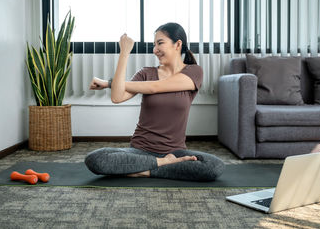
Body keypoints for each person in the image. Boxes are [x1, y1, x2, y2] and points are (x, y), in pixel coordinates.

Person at [85, 22, 225, 181]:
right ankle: (162, 164)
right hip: (140, 151)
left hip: (175, 152)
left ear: (177, 44)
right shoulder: (145, 73)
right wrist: (124, 53)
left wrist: (109, 82)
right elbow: (117, 97)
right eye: (154, 45)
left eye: (160, 43)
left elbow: (155, 87)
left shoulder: (194, 71)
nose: (155, 50)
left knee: (214, 165)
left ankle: (142, 171)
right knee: (96, 159)